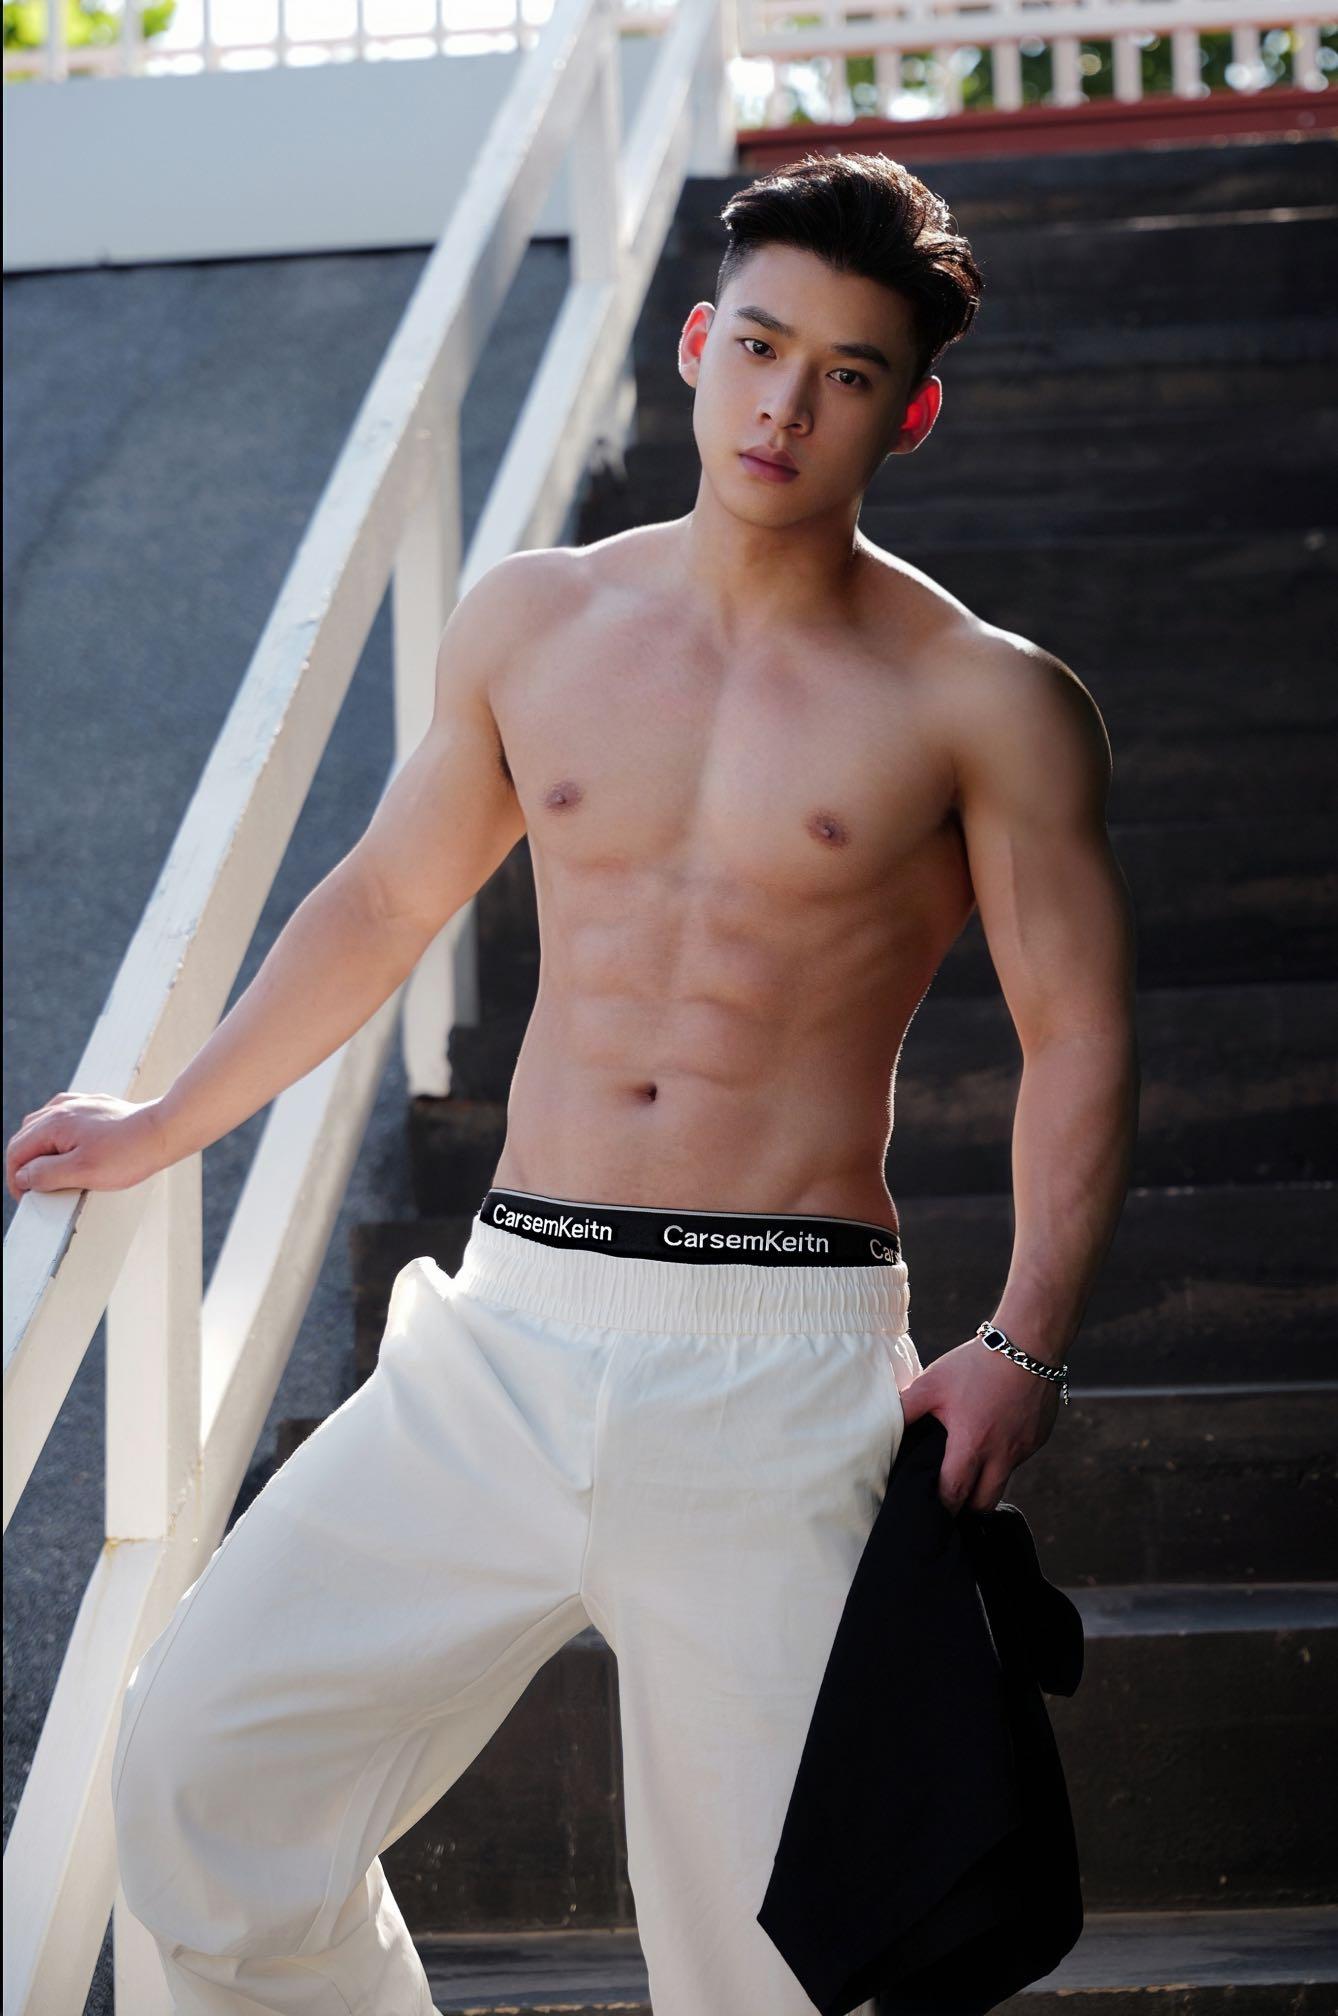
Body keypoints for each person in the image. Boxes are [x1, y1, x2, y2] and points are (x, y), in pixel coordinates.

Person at [5, 151, 1139, 2015]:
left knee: (766, 1961)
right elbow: (385, 902)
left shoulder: (984, 697)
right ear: (695, 344)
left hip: (776, 1368)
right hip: (506, 1333)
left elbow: (1075, 1033)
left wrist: (1024, 1339)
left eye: (846, 373)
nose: (783, 404)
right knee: (203, 1778)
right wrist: (164, 1123)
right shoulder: (529, 620)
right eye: (758, 346)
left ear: (908, 413)